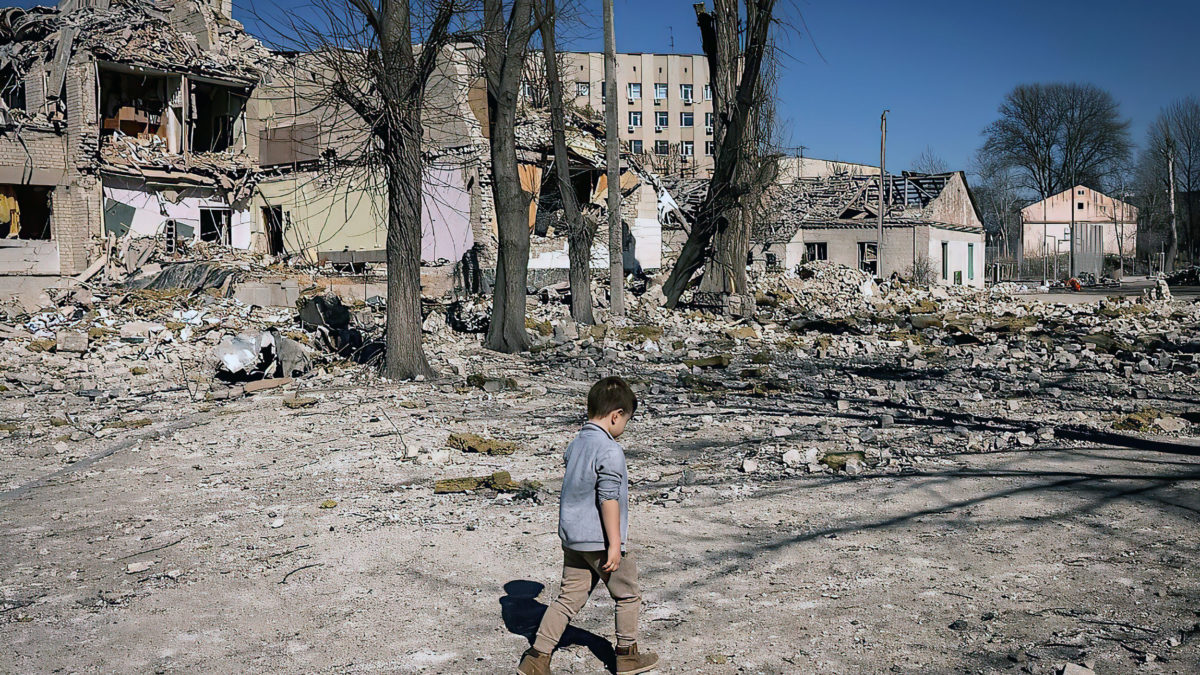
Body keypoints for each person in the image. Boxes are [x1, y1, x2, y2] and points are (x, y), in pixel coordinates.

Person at [517, 376, 660, 675]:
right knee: (627, 594)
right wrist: (615, 544)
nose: (623, 428)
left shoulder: (576, 444)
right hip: (599, 540)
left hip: (572, 539)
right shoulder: (609, 450)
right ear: (615, 416)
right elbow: (608, 500)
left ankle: (536, 657)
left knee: (568, 598)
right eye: (625, 422)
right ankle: (626, 655)